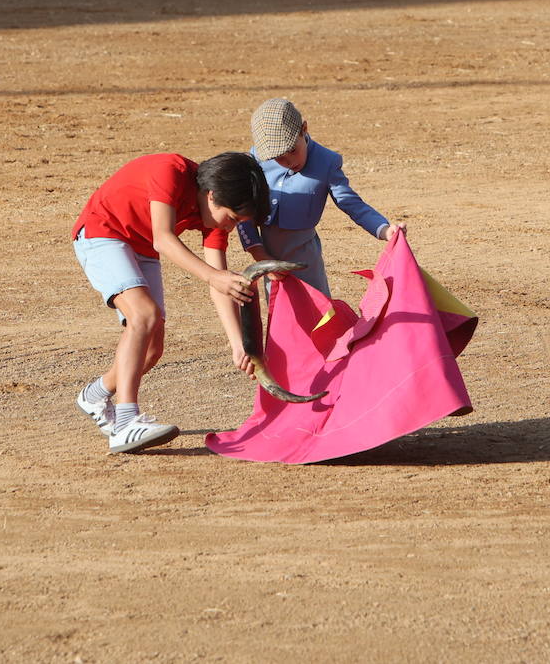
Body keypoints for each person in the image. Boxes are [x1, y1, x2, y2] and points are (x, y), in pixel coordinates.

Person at [72, 151, 269, 453]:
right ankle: (125, 423)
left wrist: (237, 344)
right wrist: (213, 277)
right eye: (231, 218)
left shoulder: (214, 215)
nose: (230, 227)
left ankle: (95, 395)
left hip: (140, 247)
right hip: (103, 232)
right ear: (212, 195)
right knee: (144, 315)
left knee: (152, 348)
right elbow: (163, 239)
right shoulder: (171, 170)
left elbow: (220, 283)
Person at [237, 98, 404, 298]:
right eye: (279, 157)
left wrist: (384, 229)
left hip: (305, 254)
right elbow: (241, 209)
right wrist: (259, 254)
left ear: (304, 129)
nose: (288, 161)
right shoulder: (257, 159)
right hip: (266, 252)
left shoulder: (327, 161)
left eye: (292, 150)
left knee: (317, 307)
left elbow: (351, 203)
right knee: (280, 309)